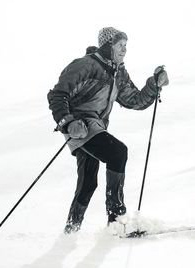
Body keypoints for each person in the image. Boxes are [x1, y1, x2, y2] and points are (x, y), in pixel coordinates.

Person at [47, 27, 169, 234]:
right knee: (117, 152)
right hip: (81, 126)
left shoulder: (118, 72)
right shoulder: (85, 65)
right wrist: (68, 123)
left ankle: (70, 232)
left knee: (88, 183)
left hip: (95, 127)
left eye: (126, 46)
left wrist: (154, 84)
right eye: (120, 45)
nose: (124, 50)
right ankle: (117, 221)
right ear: (107, 45)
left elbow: (135, 100)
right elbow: (58, 95)